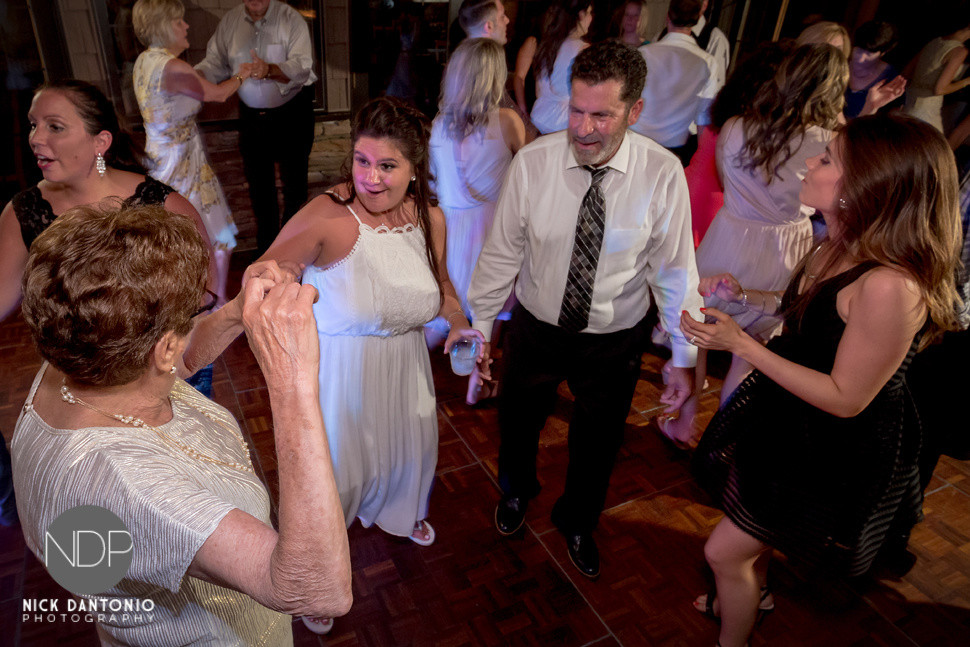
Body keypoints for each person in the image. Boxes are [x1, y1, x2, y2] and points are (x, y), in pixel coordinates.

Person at [680, 113, 963, 647]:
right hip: (790, 412)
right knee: (753, 528)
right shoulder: (834, 240)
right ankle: (756, 594)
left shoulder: (891, 286)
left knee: (722, 552)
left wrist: (742, 345)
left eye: (828, 158)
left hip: (832, 444)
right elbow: (811, 318)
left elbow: (846, 399)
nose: (810, 162)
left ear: (866, 185)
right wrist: (746, 297)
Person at [12, 203, 353, 645]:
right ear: (162, 348)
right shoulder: (132, 488)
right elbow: (318, 590)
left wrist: (235, 312)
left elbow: (177, 362)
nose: (198, 313)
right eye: (195, 310)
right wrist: (292, 379)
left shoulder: (79, 346)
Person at [468, 40, 703, 580]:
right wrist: (481, 332)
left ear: (634, 111)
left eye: (602, 115)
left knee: (599, 441)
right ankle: (515, 492)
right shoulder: (532, 164)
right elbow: (501, 255)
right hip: (536, 328)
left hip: (615, 339)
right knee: (518, 423)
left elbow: (674, 272)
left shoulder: (662, 173)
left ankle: (578, 521)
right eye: (576, 110)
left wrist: (683, 356)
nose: (583, 128)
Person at [258, 95, 484, 633]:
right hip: (339, 374)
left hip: (406, 367)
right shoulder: (328, 215)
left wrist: (457, 323)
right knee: (333, 477)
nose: (371, 178)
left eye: (387, 165)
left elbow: (444, 288)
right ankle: (312, 575)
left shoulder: (430, 219)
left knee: (408, 453)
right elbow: (268, 269)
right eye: (362, 161)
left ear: (414, 170)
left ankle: (400, 510)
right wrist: (276, 283)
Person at [662, 44, 846, 448]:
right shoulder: (830, 142)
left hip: (731, 233)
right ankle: (722, 441)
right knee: (752, 348)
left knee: (699, 330)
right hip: (787, 245)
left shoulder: (735, 127)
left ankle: (684, 423)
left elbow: (724, 179)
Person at [1, 80, 216, 322]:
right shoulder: (25, 211)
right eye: (33, 125)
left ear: (100, 142)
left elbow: (202, 305)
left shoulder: (164, 206)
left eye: (55, 127)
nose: (35, 138)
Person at [430, 37, 525, 403]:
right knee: (492, 305)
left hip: (449, 228)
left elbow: (435, 180)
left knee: (448, 296)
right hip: (490, 228)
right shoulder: (507, 122)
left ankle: (422, 361)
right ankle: (477, 379)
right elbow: (528, 173)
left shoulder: (439, 125)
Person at [132, 0, 243, 305]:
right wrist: (243, 74)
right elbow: (218, 94)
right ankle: (211, 304)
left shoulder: (145, 61)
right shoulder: (173, 67)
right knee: (213, 236)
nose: (186, 26)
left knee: (183, 239)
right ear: (163, 26)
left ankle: (198, 304)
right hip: (181, 164)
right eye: (178, 21)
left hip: (161, 157)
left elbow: (189, 83)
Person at [195, 0, 316, 254]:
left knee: (295, 190)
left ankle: (292, 253)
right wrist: (194, 77)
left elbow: (302, 68)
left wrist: (270, 69)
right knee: (260, 191)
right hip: (251, 118)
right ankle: (266, 254)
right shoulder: (230, 22)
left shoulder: (291, 19)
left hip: (292, 114)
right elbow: (214, 63)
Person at [631, 0, 719, 166]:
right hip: (674, 152)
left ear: (668, 17)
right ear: (697, 18)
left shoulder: (643, 54)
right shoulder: (707, 63)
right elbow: (703, 120)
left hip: (635, 142)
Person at [457, 0, 539, 143]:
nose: (507, 20)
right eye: (502, 16)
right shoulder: (484, 67)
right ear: (488, 26)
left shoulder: (463, 59)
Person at [530, 0, 592, 134]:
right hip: (562, 123)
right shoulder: (583, 49)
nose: (591, 18)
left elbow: (538, 91)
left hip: (538, 117)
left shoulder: (549, 44)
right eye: (589, 13)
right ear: (581, 15)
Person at [903, 23, 970, 132]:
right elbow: (940, 89)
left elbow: (906, 73)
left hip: (908, 102)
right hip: (926, 110)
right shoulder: (959, 51)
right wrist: (967, 81)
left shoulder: (935, 41)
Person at [845, 21, 901, 119]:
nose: (861, 59)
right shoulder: (840, 64)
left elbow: (893, 116)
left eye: (869, 54)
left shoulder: (891, 78)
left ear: (882, 53)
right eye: (858, 50)